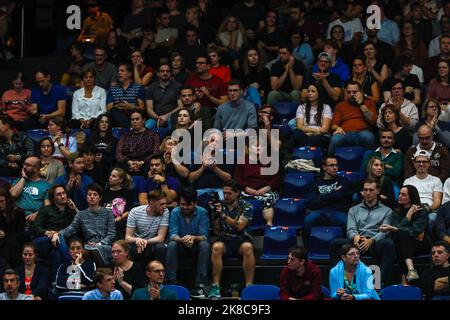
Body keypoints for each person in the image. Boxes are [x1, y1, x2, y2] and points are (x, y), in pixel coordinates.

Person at [330, 178, 395, 286]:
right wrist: (355, 237)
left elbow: (384, 232)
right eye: (365, 190)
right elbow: (350, 229)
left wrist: (371, 240)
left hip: (374, 243)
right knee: (335, 244)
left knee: (388, 244)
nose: (368, 193)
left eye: (371, 190)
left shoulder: (387, 210)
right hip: (357, 241)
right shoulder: (353, 209)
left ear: (378, 191)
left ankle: (381, 283)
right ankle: (339, 281)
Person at [208, 180, 254, 299]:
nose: (226, 196)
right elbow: (217, 230)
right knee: (216, 247)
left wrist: (223, 216)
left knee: (247, 248)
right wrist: (214, 214)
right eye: (224, 193)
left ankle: (249, 286)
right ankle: (216, 286)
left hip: (241, 239)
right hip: (225, 239)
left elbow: (240, 226)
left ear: (237, 193)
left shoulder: (247, 206)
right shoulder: (220, 205)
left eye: (229, 193)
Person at [51, 184, 115, 267]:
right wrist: (58, 234)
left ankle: (101, 273)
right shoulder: (81, 214)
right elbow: (70, 229)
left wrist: (99, 243)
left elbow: (111, 234)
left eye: (95, 195)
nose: (92, 197)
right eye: (89, 194)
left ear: (100, 198)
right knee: (83, 252)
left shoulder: (108, 212)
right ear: (86, 197)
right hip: (88, 245)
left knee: (95, 250)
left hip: (105, 245)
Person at [380, 185, 430, 284]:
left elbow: (415, 231)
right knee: (401, 239)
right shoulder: (395, 212)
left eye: (403, 194)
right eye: (399, 194)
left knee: (402, 236)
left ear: (411, 197)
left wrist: (396, 229)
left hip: (419, 244)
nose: (399, 196)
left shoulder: (422, 211)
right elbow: (399, 230)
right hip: (403, 244)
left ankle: (404, 280)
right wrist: (408, 216)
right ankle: (410, 270)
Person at [166, 187, 210, 297]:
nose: (185, 207)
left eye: (188, 205)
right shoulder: (175, 212)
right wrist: (183, 239)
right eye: (182, 204)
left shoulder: (202, 212)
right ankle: (172, 282)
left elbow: (204, 236)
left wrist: (193, 238)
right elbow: (173, 235)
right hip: (180, 246)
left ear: (195, 203)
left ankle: (201, 283)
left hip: (196, 247)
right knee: (171, 245)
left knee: (205, 245)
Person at [305, 156, 353, 246]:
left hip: (338, 211)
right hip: (320, 211)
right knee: (308, 220)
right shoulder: (316, 183)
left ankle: (346, 251)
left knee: (346, 223)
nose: (335, 167)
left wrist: (321, 197)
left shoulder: (343, 180)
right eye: (331, 165)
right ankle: (307, 253)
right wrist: (333, 194)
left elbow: (339, 195)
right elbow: (311, 203)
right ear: (324, 167)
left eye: (336, 165)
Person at [234, 141, 280, 227]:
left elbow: (276, 179)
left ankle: (269, 224)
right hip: (247, 190)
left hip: (267, 191)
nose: (258, 148)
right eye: (255, 146)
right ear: (249, 148)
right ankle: (240, 225)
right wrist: (247, 189)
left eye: (261, 146)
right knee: (241, 201)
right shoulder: (242, 161)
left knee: (268, 199)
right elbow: (238, 179)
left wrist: (266, 188)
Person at [33, 184, 77, 272]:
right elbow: (35, 226)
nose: (62, 196)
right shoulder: (46, 209)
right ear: (53, 198)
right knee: (59, 236)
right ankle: (71, 264)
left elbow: (80, 224)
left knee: (56, 254)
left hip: (59, 245)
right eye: (59, 194)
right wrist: (45, 232)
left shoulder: (70, 211)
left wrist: (74, 209)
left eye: (64, 193)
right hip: (44, 241)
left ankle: (55, 282)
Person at [328, 81, 377, 155]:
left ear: (361, 92)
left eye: (354, 92)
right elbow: (333, 125)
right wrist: (337, 128)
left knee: (369, 137)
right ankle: (329, 163)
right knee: (335, 139)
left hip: (363, 133)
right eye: (349, 92)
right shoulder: (341, 105)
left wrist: (361, 104)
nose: (351, 94)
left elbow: (373, 121)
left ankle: (369, 163)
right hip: (345, 134)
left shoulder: (369, 103)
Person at [125, 190, 169, 268]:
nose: (165, 206)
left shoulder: (165, 212)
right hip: (136, 243)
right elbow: (128, 238)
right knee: (131, 248)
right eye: (162, 204)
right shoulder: (135, 212)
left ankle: (161, 274)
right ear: (151, 203)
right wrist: (138, 240)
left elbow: (161, 238)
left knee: (161, 247)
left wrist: (145, 241)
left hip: (153, 242)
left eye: (165, 203)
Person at [115, 109, 161, 176]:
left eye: (137, 119)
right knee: (116, 169)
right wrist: (128, 162)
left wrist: (142, 162)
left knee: (153, 167)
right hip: (127, 163)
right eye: (132, 119)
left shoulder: (153, 135)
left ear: (143, 120)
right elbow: (118, 153)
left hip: (145, 164)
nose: (134, 121)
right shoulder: (125, 136)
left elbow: (156, 152)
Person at [10, 156, 51, 226]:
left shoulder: (46, 185)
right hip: (16, 216)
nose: (24, 167)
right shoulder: (18, 181)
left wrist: (38, 214)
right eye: (24, 164)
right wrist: (24, 178)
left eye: (28, 165)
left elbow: (48, 205)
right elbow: (13, 194)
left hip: (34, 218)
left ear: (36, 168)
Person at [293, 83, 332, 149]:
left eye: (313, 91)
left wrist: (309, 131)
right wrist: (314, 130)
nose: (309, 93)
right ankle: (309, 147)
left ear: (319, 93)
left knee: (318, 139)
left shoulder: (326, 107)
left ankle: (306, 147)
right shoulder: (301, 107)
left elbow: (324, 130)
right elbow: (299, 127)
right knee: (296, 133)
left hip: (320, 136)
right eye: (308, 91)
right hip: (305, 135)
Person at [404, 150, 443, 216]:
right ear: (414, 163)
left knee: (432, 218)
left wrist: (427, 210)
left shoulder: (436, 180)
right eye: (418, 162)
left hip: (429, 210)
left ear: (429, 163)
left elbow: (437, 201)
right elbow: (406, 200)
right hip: (412, 210)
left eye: (424, 162)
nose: (421, 164)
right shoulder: (407, 181)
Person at [106, 63, 146, 128]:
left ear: (129, 74)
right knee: (113, 111)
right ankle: (131, 128)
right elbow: (108, 108)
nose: (119, 73)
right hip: (117, 116)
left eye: (122, 71)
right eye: (118, 71)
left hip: (133, 116)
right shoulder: (113, 89)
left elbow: (142, 108)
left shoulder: (138, 88)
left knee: (136, 115)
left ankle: (131, 127)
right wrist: (119, 105)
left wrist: (131, 107)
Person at [144, 63, 182, 129]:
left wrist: (166, 116)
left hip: (172, 116)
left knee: (171, 124)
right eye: (162, 71)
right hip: (155, 117)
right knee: (147, 126)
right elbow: (149, 109)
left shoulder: (178, 86)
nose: (165, 73)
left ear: (171, 73)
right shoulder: (151, 87)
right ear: (157, 73)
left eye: (167, 71)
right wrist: (159, 118)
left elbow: (180, 106)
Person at [103, 168, 133, 239]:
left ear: (120, 180)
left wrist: (120, 217)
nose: (110, 177)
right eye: (110, 175)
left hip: (120, 221)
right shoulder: (105, 192)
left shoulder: (127, 193)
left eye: (114, 176)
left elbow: (129, 210)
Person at [0, 187, 25, 268]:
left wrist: (5, 234)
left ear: (8, 200)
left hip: (15, 241)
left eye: (1, 201)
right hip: (2, 242)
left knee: (11, 244)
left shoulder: (19, 212)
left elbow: (21, 234)